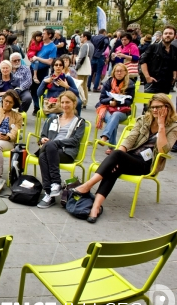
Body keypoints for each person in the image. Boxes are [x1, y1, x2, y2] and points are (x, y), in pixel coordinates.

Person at [75, 94, 177, 223]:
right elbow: (129, 140)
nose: (155, 110)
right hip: (131, 158)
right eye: (153, 108)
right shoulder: (144, 120)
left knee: (117, 156)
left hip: (147, 165)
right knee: (114, 167)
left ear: (167, 107)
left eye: (158, 107)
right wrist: (118, 159)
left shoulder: (174, 127)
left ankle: (87, 185)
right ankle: (95, 207)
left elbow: (163, 150)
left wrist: (161, 126)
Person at [36, 91, 86, 209]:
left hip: (67, 152)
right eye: (62, 102)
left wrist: (55, 143)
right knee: (48, 149)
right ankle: (53, 187)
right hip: (50, 149)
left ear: (74, 103)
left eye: (67, 102)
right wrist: (42, 140)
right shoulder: (53, 118)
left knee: (44, 155)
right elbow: (42, 136)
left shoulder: (79, 122)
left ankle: (50, 191)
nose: (64, 105)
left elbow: (75, 141)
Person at [95, 63, 135, 150]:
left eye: (121, 71)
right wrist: (110, 102)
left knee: (115, 115)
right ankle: (111, 147)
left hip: (122, 111)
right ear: (114, 72)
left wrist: (117, 103)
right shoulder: (108, 82)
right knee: (113, 119)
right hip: (107, 109)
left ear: (125, 72)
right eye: (117, 71)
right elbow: (102, 99)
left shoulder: (130, 84)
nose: (119, 73)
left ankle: (105, 137)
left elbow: (129, 101)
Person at [140, 26, 177, 95]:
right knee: (149, 105)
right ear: (162, 35)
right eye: (166, 33)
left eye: (170, 33)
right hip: (152, 83)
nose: (167, 35)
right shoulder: (153, 47)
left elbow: (175, 64)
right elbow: (142, 61)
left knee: (163, 105)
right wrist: (147, 77)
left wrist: (174, 77)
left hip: (166, 84)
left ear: (174, 36)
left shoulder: (174, 50)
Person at [30, 28, 57, 115]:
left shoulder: (53, 47)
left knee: (40, 89)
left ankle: (43, 106)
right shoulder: (40, 43)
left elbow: (50, 61)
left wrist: (37, 58)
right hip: (33, 68)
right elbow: (32, 50)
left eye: (44, 34)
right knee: (32, 89)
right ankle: (36, 107)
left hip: (42, 70)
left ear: (49, 35)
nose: (42, 35)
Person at [74, 31, 94, 108]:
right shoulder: (91, 45)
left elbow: (81, 58)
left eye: (81, 36)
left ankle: (82, 100)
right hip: (87, 67)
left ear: (85, 37)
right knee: (84, 85)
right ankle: (85, 101)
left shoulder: (85, 45)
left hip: (82, 67)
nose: (80, 38)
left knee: (80, 85)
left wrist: (77, 67)